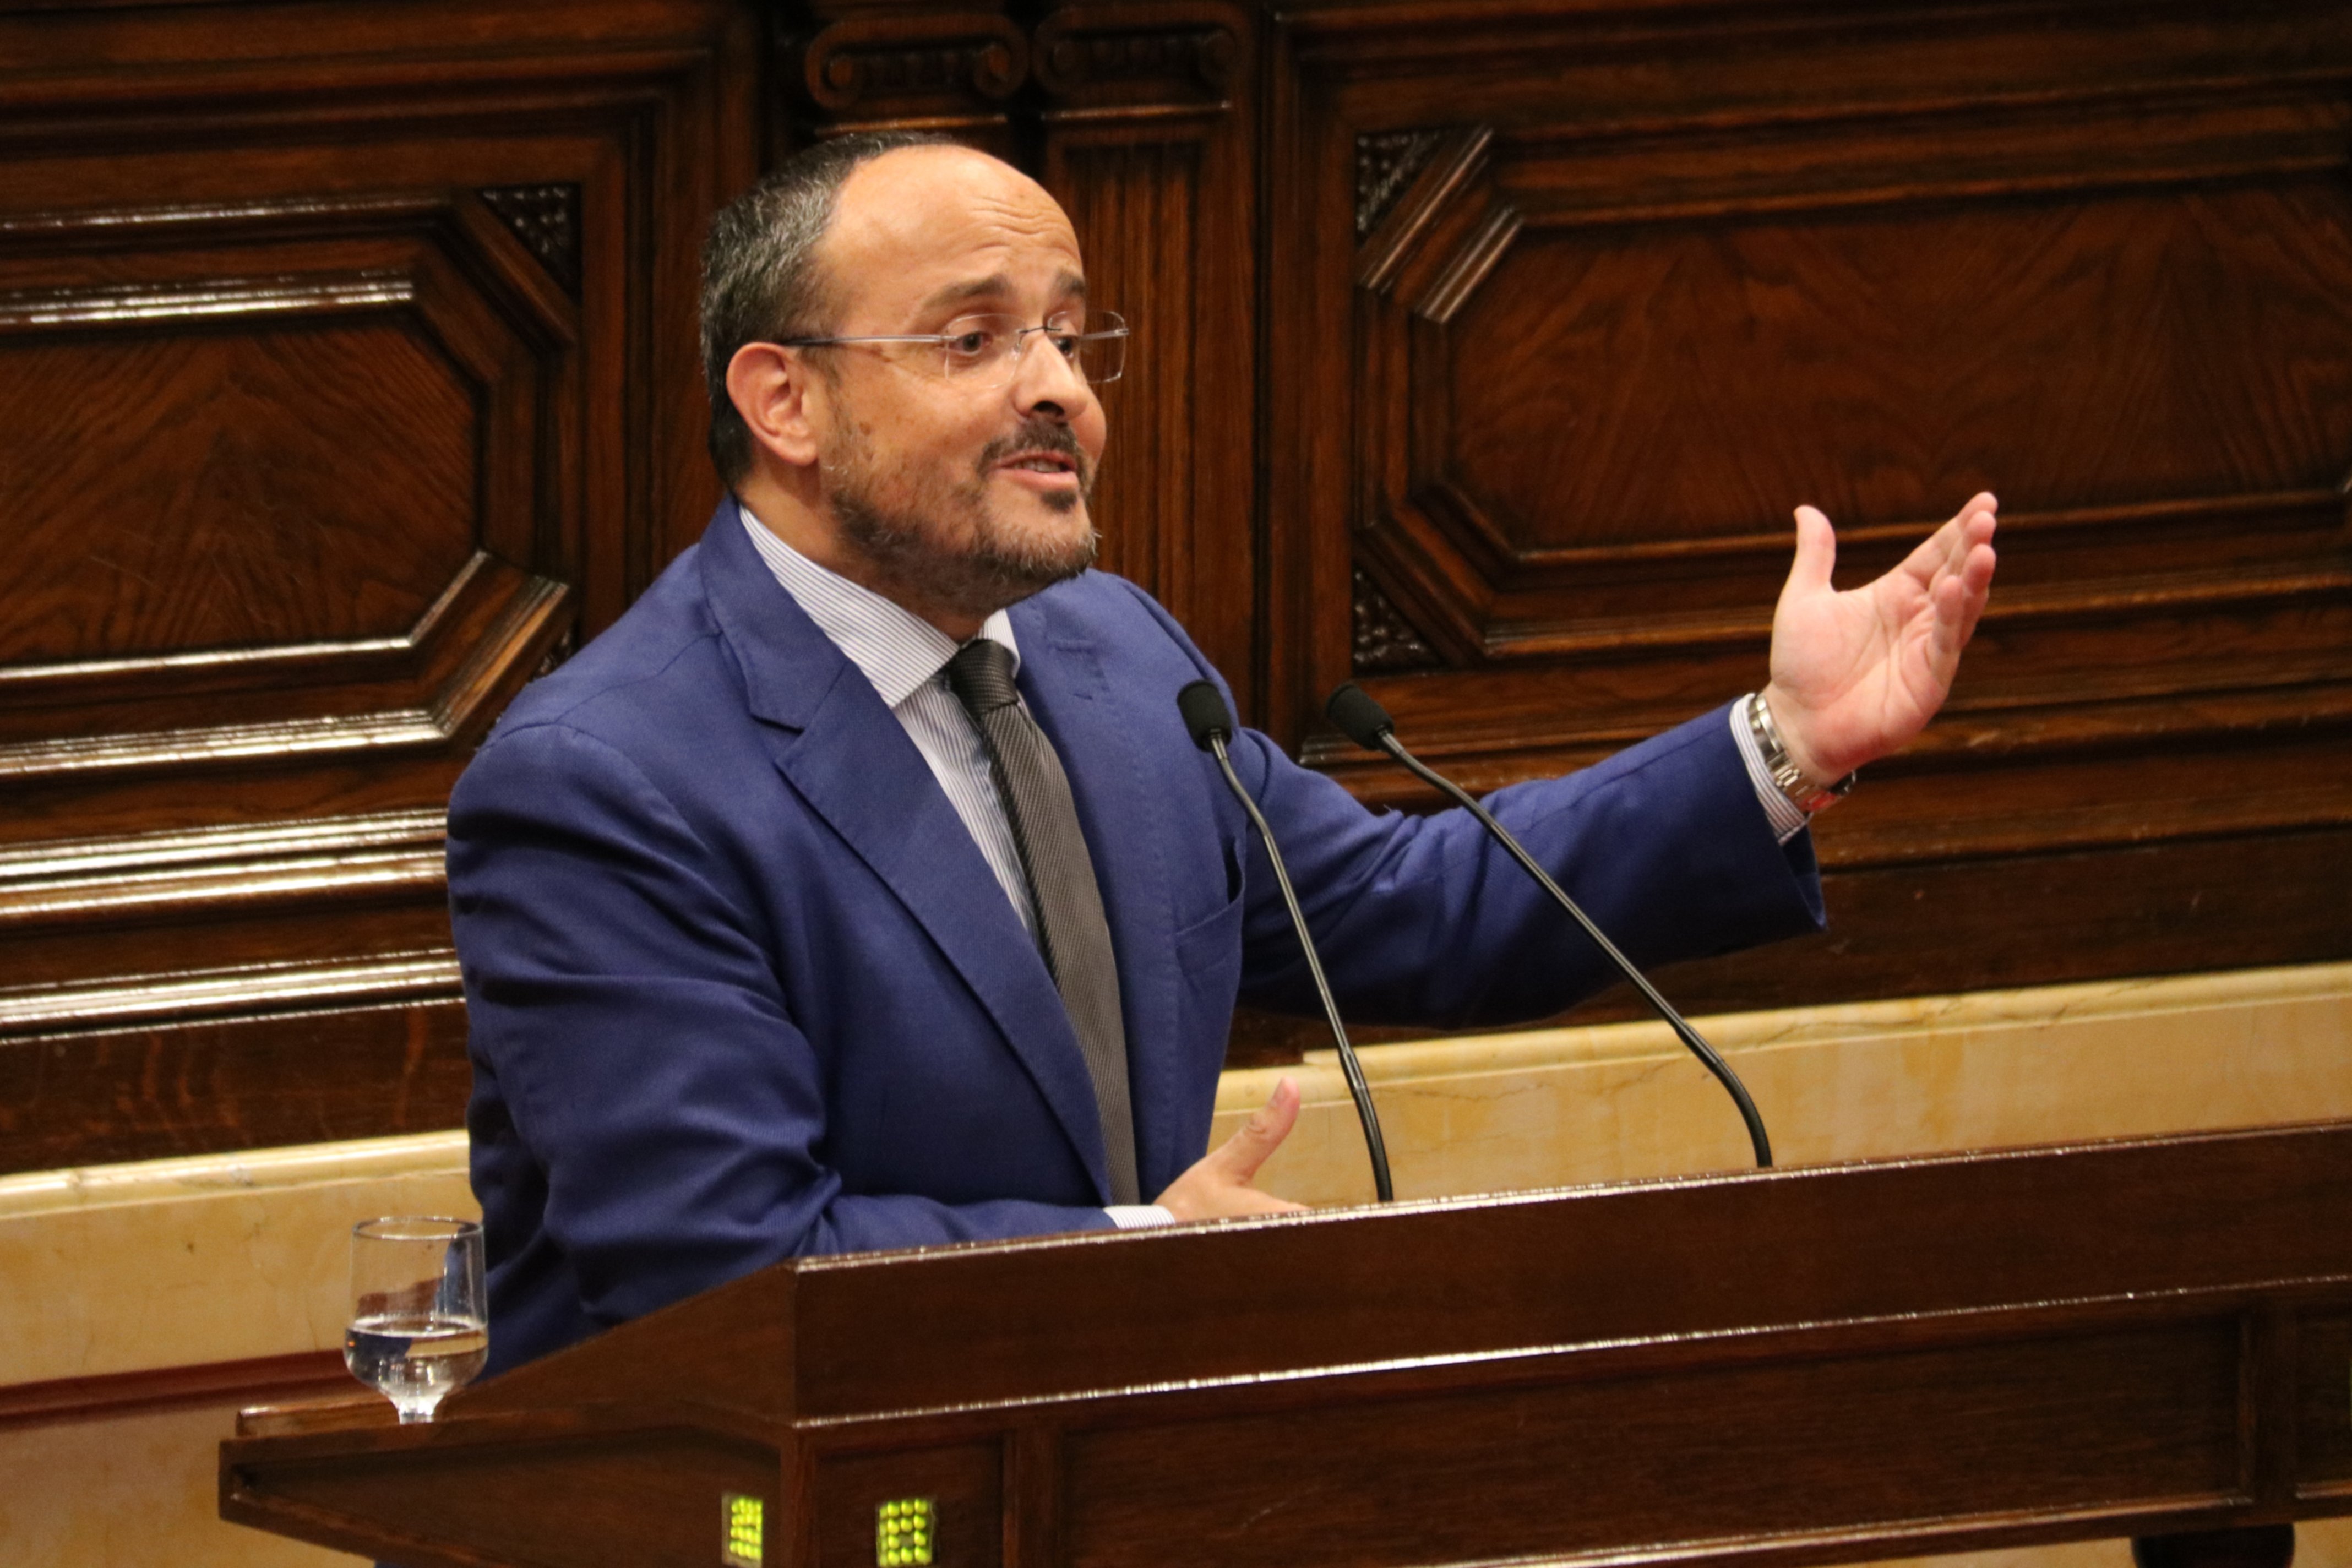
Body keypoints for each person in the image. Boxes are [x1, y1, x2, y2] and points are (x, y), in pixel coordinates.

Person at [447, 132, 1999, 1376]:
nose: (1058, 386)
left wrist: (1787, 745)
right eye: (975, 337)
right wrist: (1137, 1259)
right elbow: (717, 1267)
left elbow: (1413, 906)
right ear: (782, 397)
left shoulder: (1114, 656)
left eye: (1068, 332)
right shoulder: (607, 782)